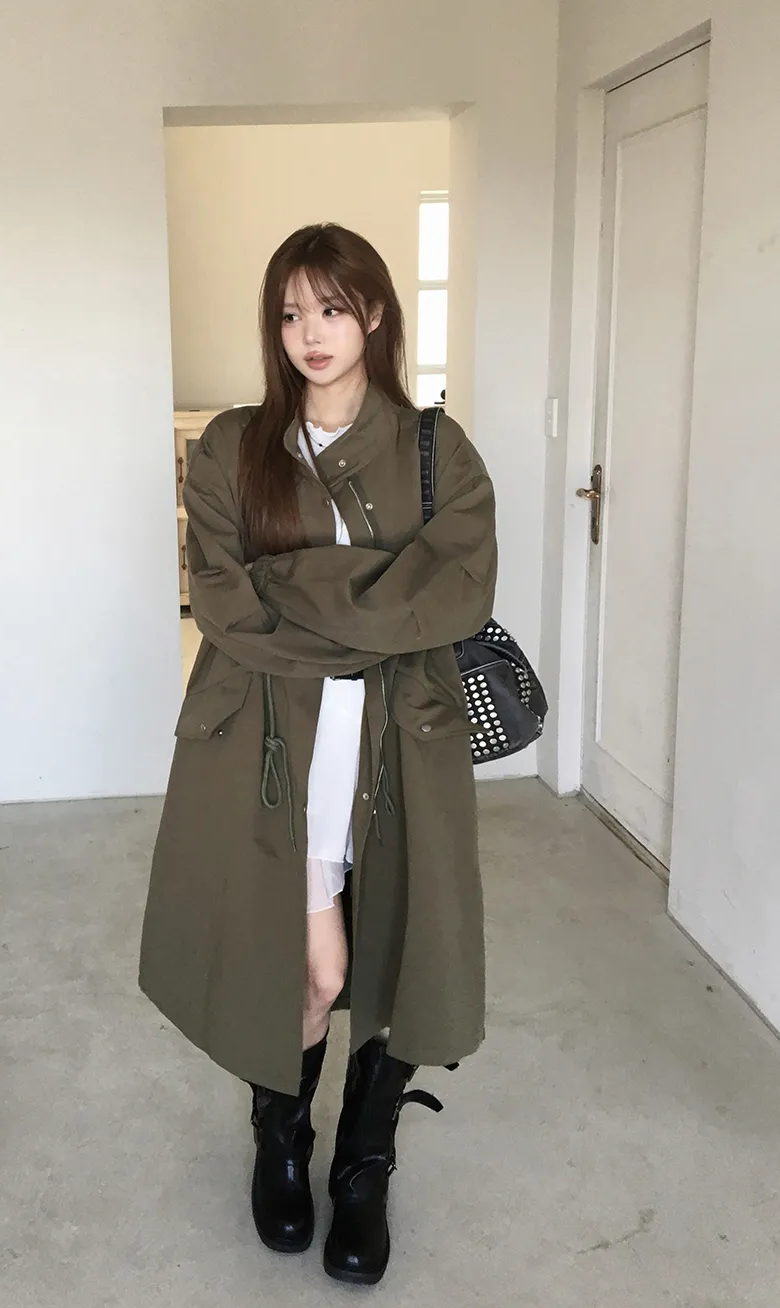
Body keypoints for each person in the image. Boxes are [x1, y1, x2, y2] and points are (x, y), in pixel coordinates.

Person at [139, 223, 497, 1285]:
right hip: (267, 740)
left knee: (395, 947)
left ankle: (364, 1164)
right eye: (291, 312)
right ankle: (282, 1137)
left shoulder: (436, 449)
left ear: (373, 314)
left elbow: (455, 590)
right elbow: (224, 601)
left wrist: (296, 587)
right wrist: (375, 605)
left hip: (398, 741)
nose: (310, 333)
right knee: (299, 958)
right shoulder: (231, 446)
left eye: (332, 308)